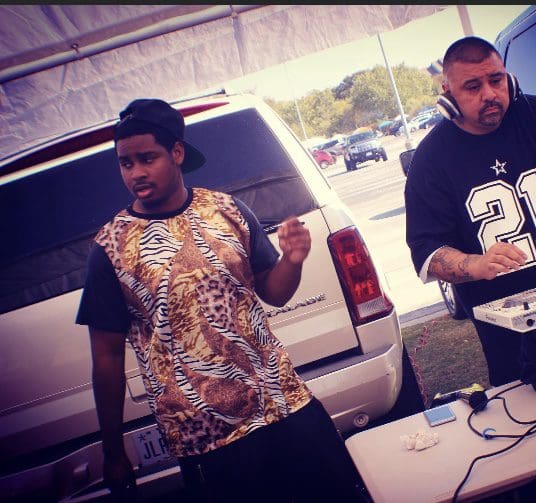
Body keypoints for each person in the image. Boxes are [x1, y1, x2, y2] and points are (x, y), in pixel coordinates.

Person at [75, 99, 365, 502]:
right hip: (205, 435)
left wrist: (293, 261)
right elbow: (105, 356)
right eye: (126, 163)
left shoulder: (226, 209)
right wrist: (113, 452)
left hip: (282, 402)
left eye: (147, 158)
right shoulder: (111, 246)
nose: (136, 172)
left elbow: (274, 292)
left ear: (177, 152)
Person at [405, 36, 536, 389]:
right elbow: (427, 254)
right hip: (516, 344)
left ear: (509, 78)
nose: (489, 93)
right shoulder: (430, 161)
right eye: (472, 86)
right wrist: (474, 264)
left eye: (496, 80)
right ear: (447, 93)